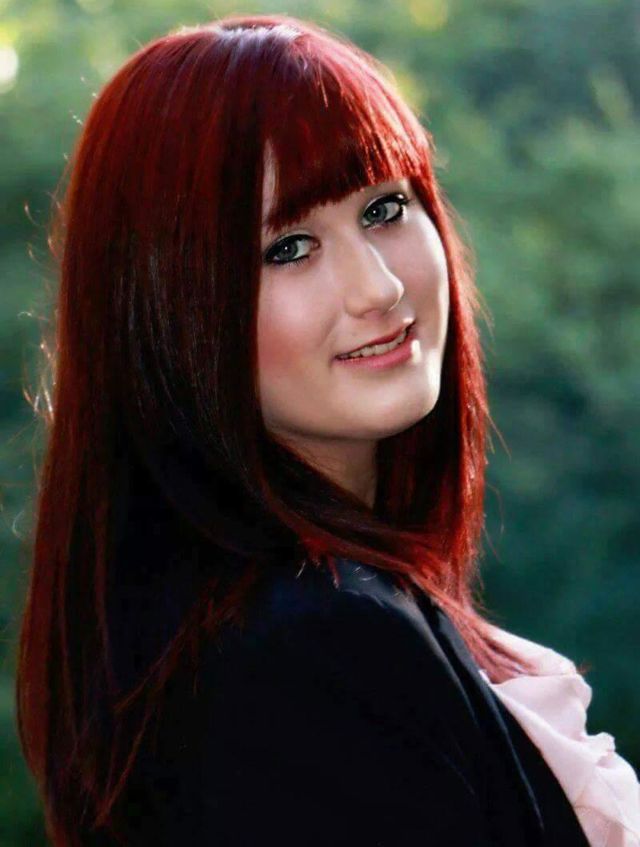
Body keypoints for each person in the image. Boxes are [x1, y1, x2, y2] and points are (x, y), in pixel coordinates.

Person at [15, 12, 639, 847]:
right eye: (289, 247)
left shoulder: (259, 622)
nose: (378, 287)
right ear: (165, 306)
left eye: (385, 207)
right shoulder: (309, 643)